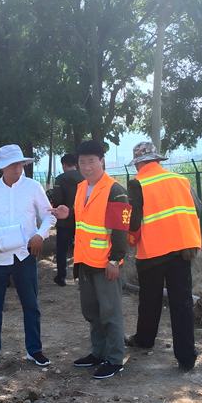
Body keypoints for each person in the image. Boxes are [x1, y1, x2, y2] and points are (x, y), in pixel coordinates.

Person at [51, 140, 130, 379]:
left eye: (91, 161)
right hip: (84, 261)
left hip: (106, 264)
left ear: (101, 161)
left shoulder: (115, 190)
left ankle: (114, 359)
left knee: (110, 313)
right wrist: (67, 214)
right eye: (82, 162)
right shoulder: (81, 187)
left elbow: (121, 229)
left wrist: (115, 260)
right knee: (92, 312)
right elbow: (82, 218)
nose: (87, 167)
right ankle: (98, 353)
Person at [0, 144, 55, 369]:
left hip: (24, 255)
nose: (17, 169)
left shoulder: (33, 187)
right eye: (12, 165)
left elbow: (49, 216)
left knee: (31, 305)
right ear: (2, 167)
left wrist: (39, 235)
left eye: (19, 164)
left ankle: (34, 350)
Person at [124, 141, 202, 371]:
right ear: (157, 160)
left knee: (150, 300)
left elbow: (134, 222)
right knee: (182, 303)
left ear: (138, 163)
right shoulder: (181, 180)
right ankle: (186, 358)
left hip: (152, 252)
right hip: (182, 249)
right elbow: (197, 210)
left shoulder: (137, 183)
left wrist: (129, 240)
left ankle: (145, 339)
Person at [47, 154, 83, 286]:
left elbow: (57, 200)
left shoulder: (60, 179)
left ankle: (61, 277)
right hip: (82, 220)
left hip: (64, 221)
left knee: (61, 249)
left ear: (63, 165)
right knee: (81, 248)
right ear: (76, 164)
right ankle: (80, 276)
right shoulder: (83, 178)